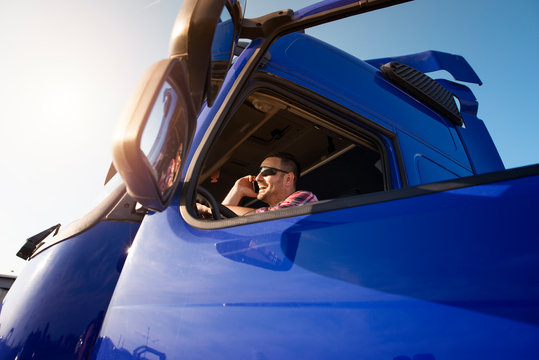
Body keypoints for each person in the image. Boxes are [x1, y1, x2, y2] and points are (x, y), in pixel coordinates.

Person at [199, 153, 318, 217]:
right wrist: (237, 190)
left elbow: (272, 218)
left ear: (288, 179)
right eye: (259, 173)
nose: (258, 178)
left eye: (266, 172)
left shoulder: (306, 198)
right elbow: (220, 221)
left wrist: (208, 207)